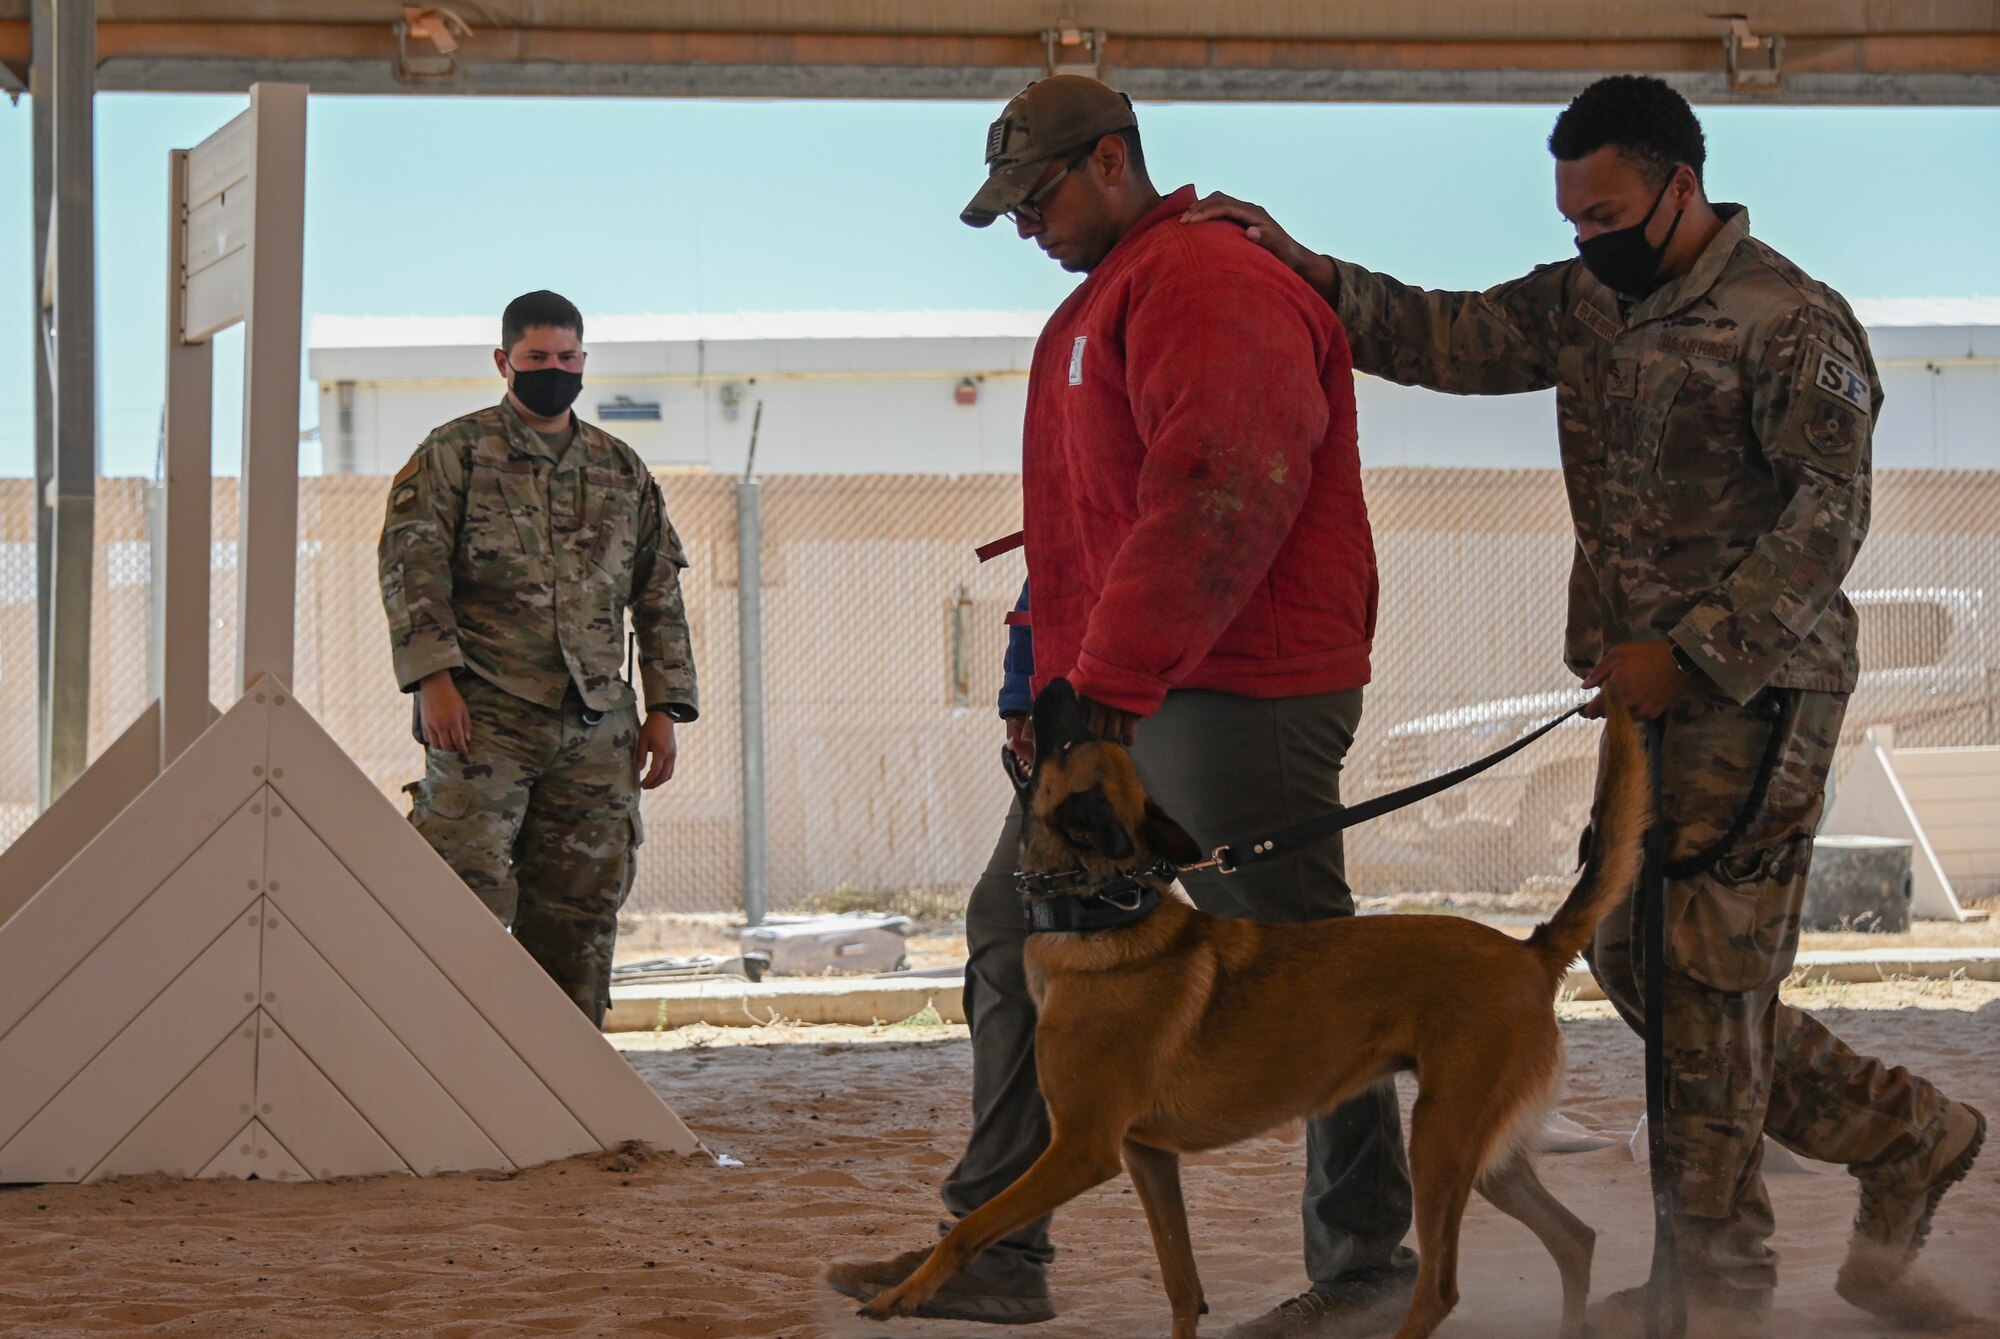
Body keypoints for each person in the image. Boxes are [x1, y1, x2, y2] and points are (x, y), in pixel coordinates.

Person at [1184, 75, 1984, 1338]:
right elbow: (1437, 332)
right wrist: (1304, 267)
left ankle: (1711, 1289)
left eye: (1604, 214)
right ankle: (1905, 1131)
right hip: (1643, 703)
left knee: (1704, 979)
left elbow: (1827, 517)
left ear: (1678, 186)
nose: (1584, 241)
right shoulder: (1583, 302)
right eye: (1568, 222)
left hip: (1758, 692)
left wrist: (1696, 649)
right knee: (1632, 954)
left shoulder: (1789, 317)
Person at [829, 76, 1408, 1339]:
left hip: (1228, 683)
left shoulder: (1206, 280)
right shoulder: (1101, 304)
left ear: (1110, 161)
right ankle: (991, 1248)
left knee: (1311, 972)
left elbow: (1220, 491)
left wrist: (1108, 687)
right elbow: (1085, 524)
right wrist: (1045, 682)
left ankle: (1369, 1267)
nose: (1025, 224)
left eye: (1036, 196)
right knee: (1008, 932)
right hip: (1123, 694)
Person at [377, 289, 698, 1028]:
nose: (553, 370)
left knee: (581, 904)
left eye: (566, 358)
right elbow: (411, 564)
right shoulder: (454, 451)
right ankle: (450, 1055)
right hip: (483, 711)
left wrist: (666, 708)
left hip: (596, 723)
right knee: (462, 890)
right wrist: (433, 679)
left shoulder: (620, 468)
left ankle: (570, 1074)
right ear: (504, 362)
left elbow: (656, 592)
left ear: (584, 361)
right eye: (536, 359)